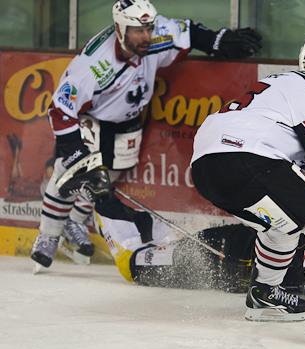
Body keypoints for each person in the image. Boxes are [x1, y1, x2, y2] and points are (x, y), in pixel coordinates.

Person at [30, 0, 262, 270]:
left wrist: (218, 41)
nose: (147, 36)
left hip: (126, 122)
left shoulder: (155, 33)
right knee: (67, 173)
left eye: (148, 29)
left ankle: (74, 222)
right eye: (138, 31)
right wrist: (72, 148)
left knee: (105, 180)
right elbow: (60, 109)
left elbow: (189, 31)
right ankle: (47, 236)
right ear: (120, 29)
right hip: (90, 121)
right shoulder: (94, 66)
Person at [190, 36, 305, 345]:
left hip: (205, 164)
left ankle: (265, 294)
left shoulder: (280, 82)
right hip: (250, 158)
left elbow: (303, 171)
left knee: (283, 223)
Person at [92, 190, 305, 306]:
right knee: (132, 265)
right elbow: (301, 282)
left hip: (228, 261)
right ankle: (100, 202)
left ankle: (147, 225)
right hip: (213, 252)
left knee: (159, 242)